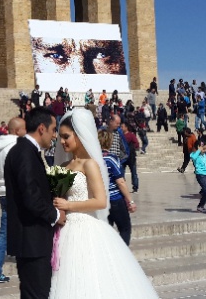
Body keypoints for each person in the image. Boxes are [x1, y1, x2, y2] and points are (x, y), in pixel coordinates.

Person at [49, 109, 157, 298]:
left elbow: (100, 201)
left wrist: (69, 206)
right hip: (65, 229)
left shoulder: (89, 164)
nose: (62, 141)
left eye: (66, 137)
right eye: (60, 137)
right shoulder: (62, 167)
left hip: (84, 227)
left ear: (79, 135)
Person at [3, 107, 64, 298]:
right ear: (41, 128)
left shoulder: (26, 151)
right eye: (54, 130)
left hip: (33, 240)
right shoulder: (24, 153)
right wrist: (55, 215)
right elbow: (30, 196)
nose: (55, 136)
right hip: (31, 241)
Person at [0, 117, 26, 285]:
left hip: (3, 192)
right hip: (16, 193)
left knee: (8, 230)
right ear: (17, 131)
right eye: (24, 128)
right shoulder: (19, 146)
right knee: (6, 233)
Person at [98, 129, 136, 245]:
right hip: (115, 200)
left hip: (102, 201)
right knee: (125, 228)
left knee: (107, 230)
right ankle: (123, 254)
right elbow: (120, 182)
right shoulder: (111, 159)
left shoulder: (95, 160)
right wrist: (130, 200)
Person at [121, 123, 140, 192]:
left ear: (126, 127)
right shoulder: (120, 135)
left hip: (131, 157)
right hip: (123, 157)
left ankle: (135, 187)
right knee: (121, 173)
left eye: (122, 127)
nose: (121, 128)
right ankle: (122, 187)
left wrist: (131, 148)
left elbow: (136, 143)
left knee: (134, 173)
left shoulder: (131, 135)